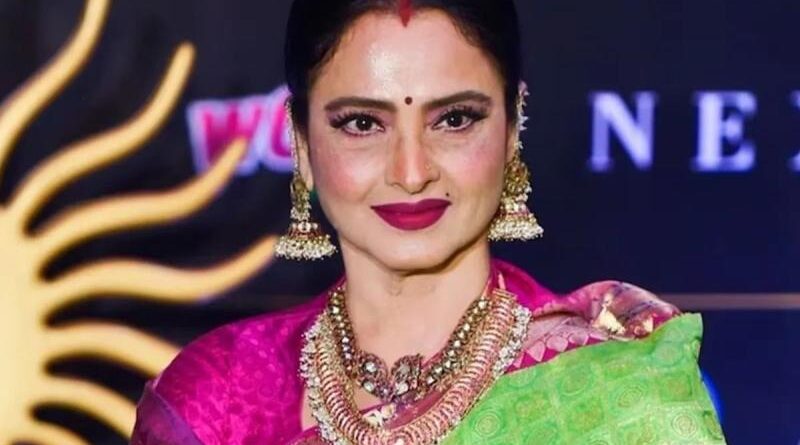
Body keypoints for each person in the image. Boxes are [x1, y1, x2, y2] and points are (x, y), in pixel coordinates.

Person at [131, 0, 726, 443]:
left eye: (455, 120)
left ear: (513, 128)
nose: (411, 172)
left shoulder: (615, 390)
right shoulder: (219, 399)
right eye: (362, 124)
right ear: (302, 143)